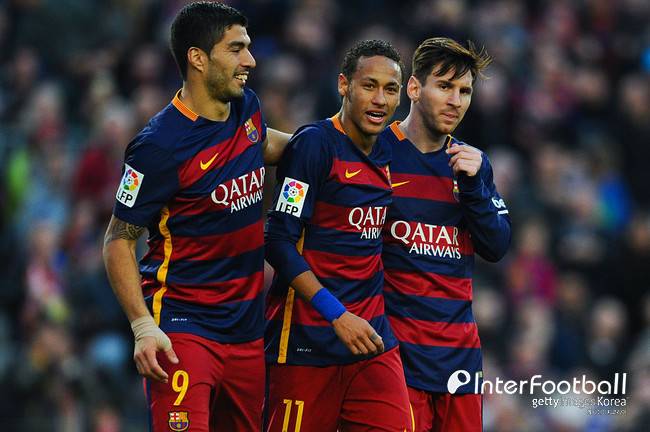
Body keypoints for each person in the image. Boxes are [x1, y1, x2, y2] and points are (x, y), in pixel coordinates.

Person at [102, 2, 290, 431]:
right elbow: (118, 239)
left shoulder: (247, 108)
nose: (250, 60)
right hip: (185, 328)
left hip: (247, 330)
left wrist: (327, 150)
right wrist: (142, 325)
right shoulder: (158, 147)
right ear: (198, 58)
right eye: (236, 49)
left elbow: (262, 144)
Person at [264, 40, 412, 432]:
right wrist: (337, 314)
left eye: (390, 89)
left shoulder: (390, 154)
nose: (379, 99)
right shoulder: (315, 145)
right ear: (344, 85)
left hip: (372, 342)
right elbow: (277, 241)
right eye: (369, 86)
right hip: (306, 343)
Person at [381, 37, 512, 432]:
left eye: (465, 91)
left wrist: (473, 189)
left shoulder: (472, 163)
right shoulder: (377, 153)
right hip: (396, 358)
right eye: (444, 86)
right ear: (414, 88)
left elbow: (497, 245)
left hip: (461, 361)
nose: (456, 100)